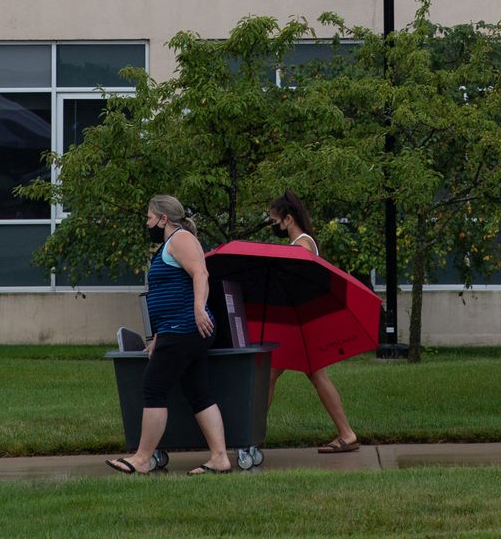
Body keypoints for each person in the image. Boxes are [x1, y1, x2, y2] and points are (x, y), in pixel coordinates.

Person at [107, 195, 234, 475]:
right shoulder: (170, 243)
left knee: (154, 389)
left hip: (185, 328)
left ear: (164, 219)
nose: (148, 223)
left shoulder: (180, 238)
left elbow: (200, 273)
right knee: (198, 392)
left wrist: (199, 309)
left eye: (150, 217)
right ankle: (220, 458)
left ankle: (142, 458)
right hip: (178, 331)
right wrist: (159, 337)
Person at [263, 191, 362, 453]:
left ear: (287, 219)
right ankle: (346, 434)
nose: (272, 226)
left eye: (274, 222)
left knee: (273, 374)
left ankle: (250, 436)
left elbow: (299, 284)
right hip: (299, 323)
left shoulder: (302, 245)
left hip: (300, 325)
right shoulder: (302, 243)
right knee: (287, 374)